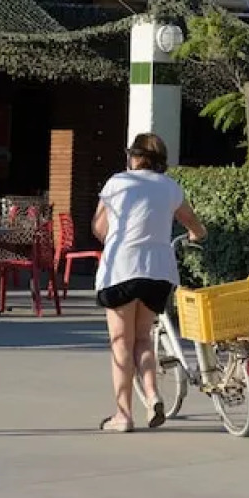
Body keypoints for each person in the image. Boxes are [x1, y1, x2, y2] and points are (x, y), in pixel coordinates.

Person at [93, 132, 206, 433]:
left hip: (121, 270)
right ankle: (153, 395)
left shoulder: (119, 182)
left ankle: (123, 415)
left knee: (121, 343)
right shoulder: (170, 187)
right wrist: (195, 235)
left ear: (134, 157)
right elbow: (194, 225)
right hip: (159, 272)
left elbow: (99, 226)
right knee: (143, 338)